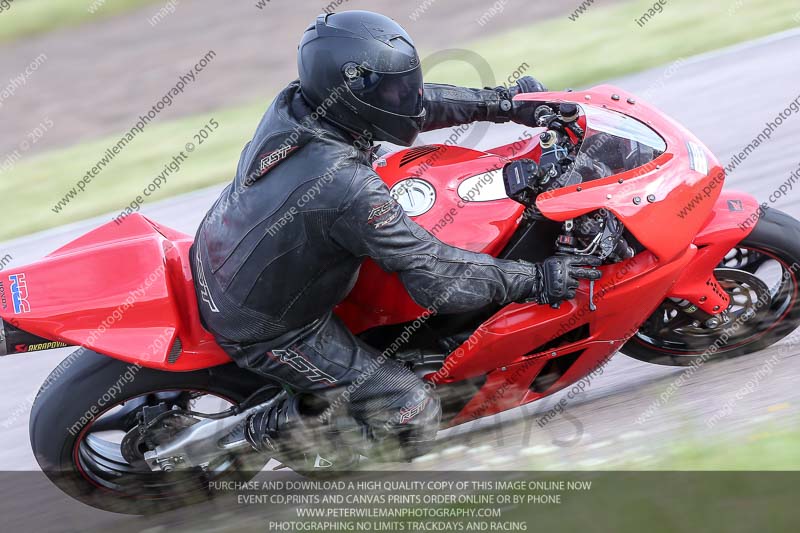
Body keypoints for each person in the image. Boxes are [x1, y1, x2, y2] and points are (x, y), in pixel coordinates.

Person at [190, 10, 599, 468]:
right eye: (391, 88)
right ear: (351, 96)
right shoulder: (344, 185)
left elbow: (417, 106)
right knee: (412, 414)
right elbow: (434, 277)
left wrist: (505, 104)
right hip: (267, 325)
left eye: (405, 83)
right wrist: (536, 279)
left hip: (225, 249)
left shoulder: (299, 106)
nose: (405, 97)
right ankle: (260, 430)